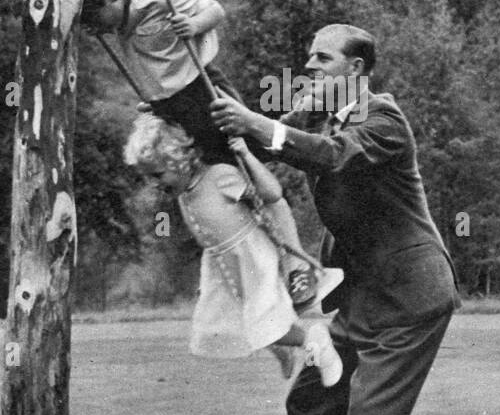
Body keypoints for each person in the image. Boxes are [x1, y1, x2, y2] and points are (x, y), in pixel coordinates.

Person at [210, 24, 460, 415]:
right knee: (311, 404)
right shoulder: (317, 113)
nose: (310, 67)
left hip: (411, 300)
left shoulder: (383, 119)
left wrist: (255, 121)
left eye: (323, 59)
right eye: (308, 57)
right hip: (361, 298)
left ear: (357, 70)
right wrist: (194, 81)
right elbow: (259, 136)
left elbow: (328, 155)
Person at [124, 113, 344, 386]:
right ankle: (283, 349)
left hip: (252, 257)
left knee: (263, 321)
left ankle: (315, 339)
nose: (155, 183)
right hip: (226, 265)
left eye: (159, 174)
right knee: (226, 325)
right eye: (149, 177)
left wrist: (247, 157)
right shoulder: (184, 196)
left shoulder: (218, 177)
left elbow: (271, 194)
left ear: (179, 160)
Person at [80, 0, 242, 165]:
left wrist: (194, 24)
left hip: (199, 90)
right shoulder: (118, 15)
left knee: (233, 147)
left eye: (92, 19)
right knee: (191, 161)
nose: (91, 28)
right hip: (165, 103)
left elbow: (215, 9)